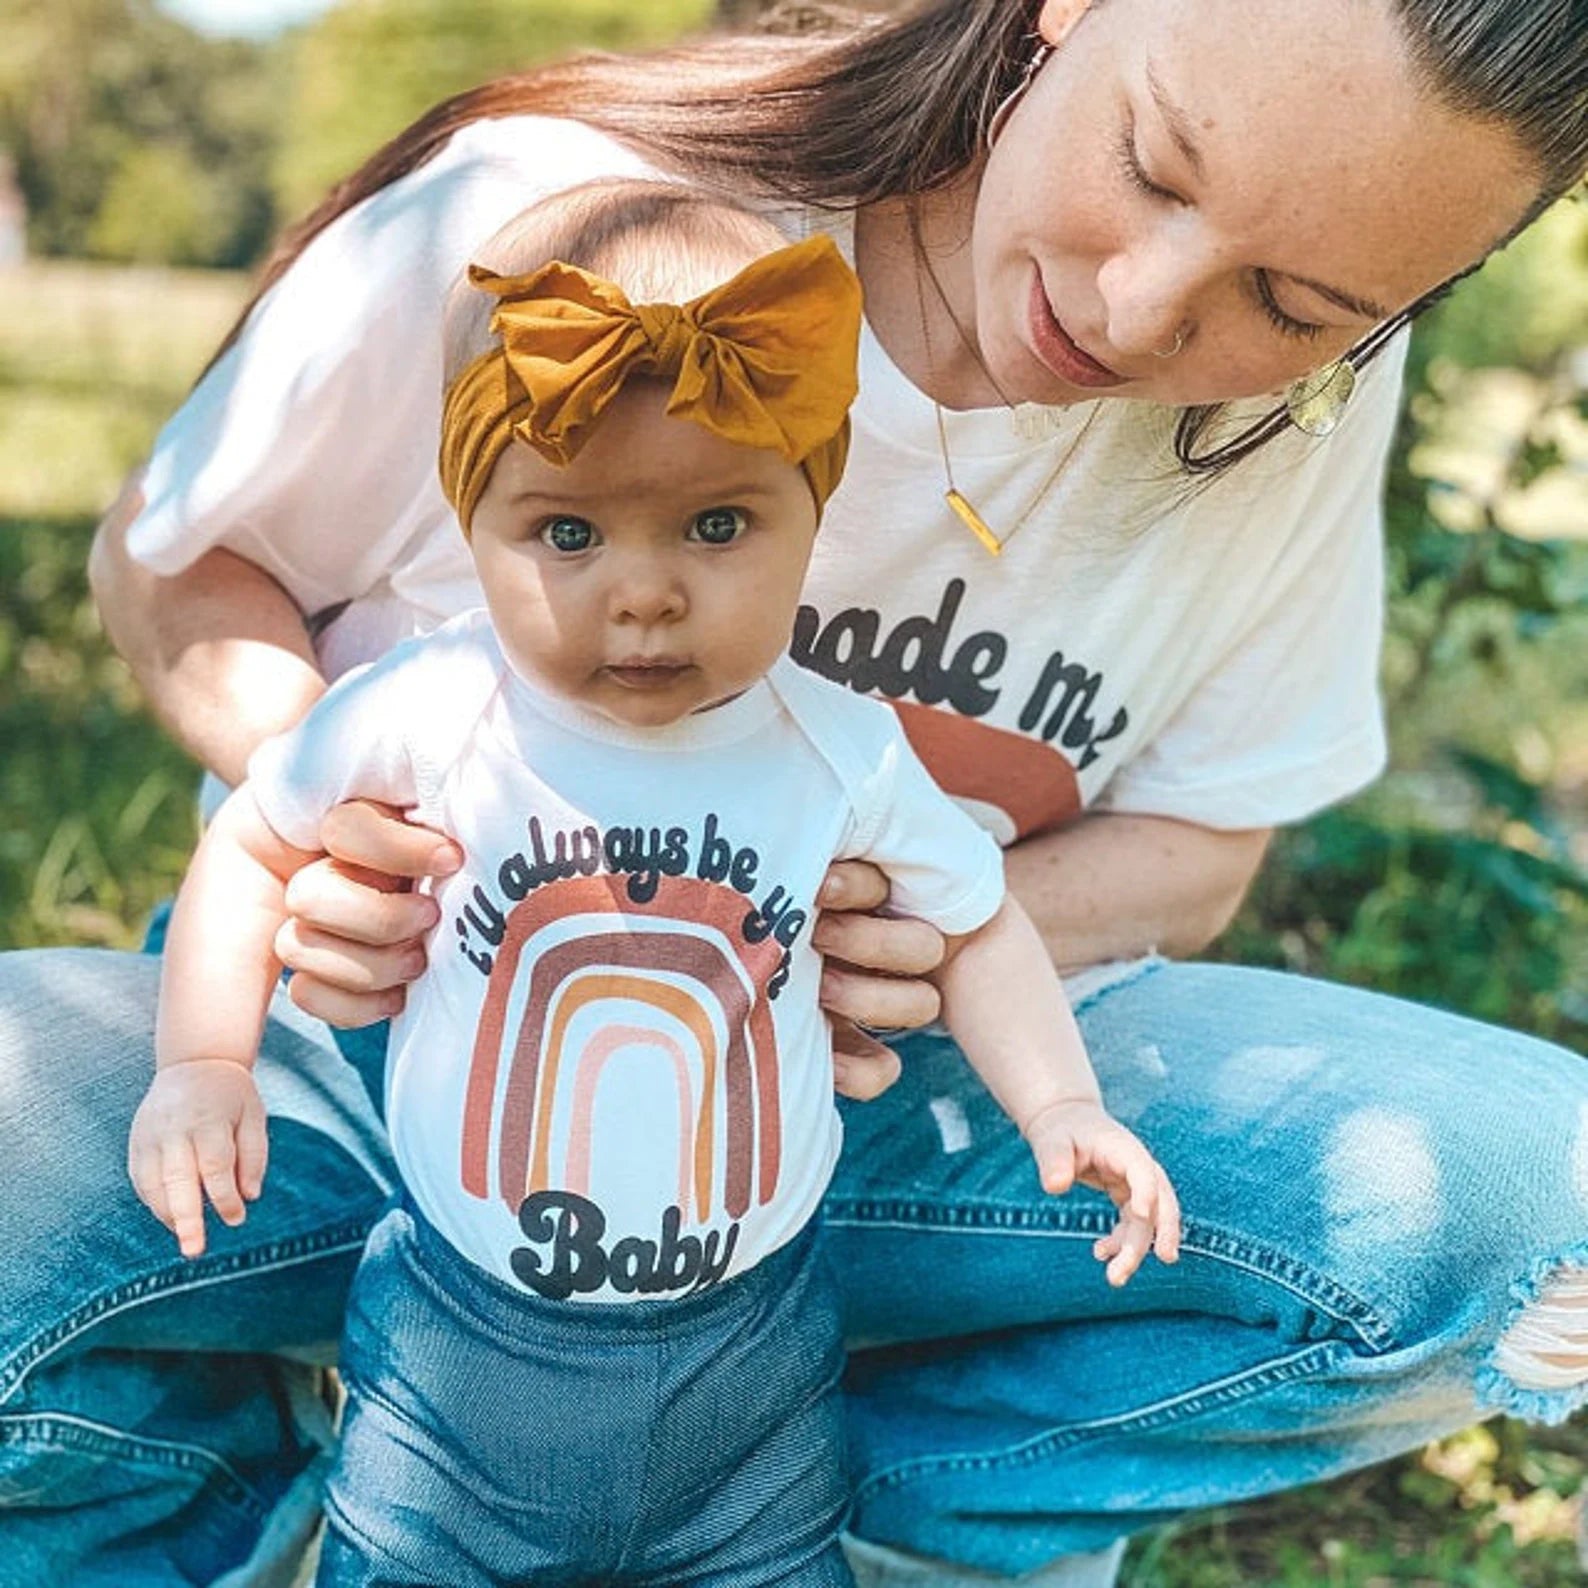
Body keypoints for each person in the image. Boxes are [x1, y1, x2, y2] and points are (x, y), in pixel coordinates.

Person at [5, 0, 1587, 1583]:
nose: (1145, 309)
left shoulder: (1290, 420)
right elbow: (177, 563)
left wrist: (913, 949)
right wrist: (352, 835)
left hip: (892, 1119)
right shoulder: (554, 225)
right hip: (364, 1071)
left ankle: (853, 1511)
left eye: (1296, 302)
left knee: (1555, 1209)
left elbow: (1201, 845)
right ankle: (222, 1499)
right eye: (1154, 163)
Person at [125, 185, 1179, 1586]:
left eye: (717, 526)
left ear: (816, 504)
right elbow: (257, 839)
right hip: (458, 1344)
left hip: (751, 1353)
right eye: (568, 534)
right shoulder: (434, 710)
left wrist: (1061, 1100)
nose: (644, 593)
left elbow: (977, 920)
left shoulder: (836, 745)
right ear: (472, 521)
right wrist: (205, 1057)